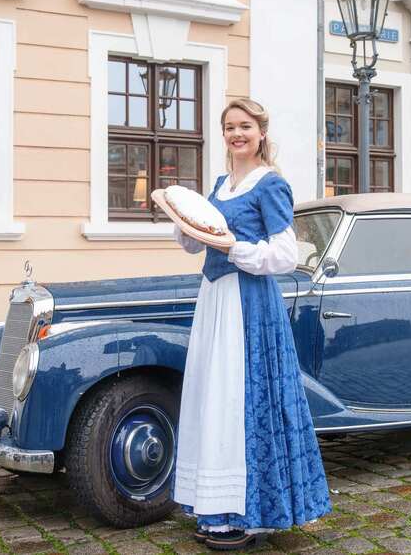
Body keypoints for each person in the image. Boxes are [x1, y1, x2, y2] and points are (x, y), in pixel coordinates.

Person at [171, 98, 332, 551]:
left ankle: (250, 513)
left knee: (242, 400)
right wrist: (185, 224)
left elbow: (284, 255)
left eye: (244, 126)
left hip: (250, 305)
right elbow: (198, 242)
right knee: (214, 398)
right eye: (228, 128)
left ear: (261, 132)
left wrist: (232, 248)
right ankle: (214, 507)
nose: (236, 134)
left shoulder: (271, 185)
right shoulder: (221, 184)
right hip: (215, 300)